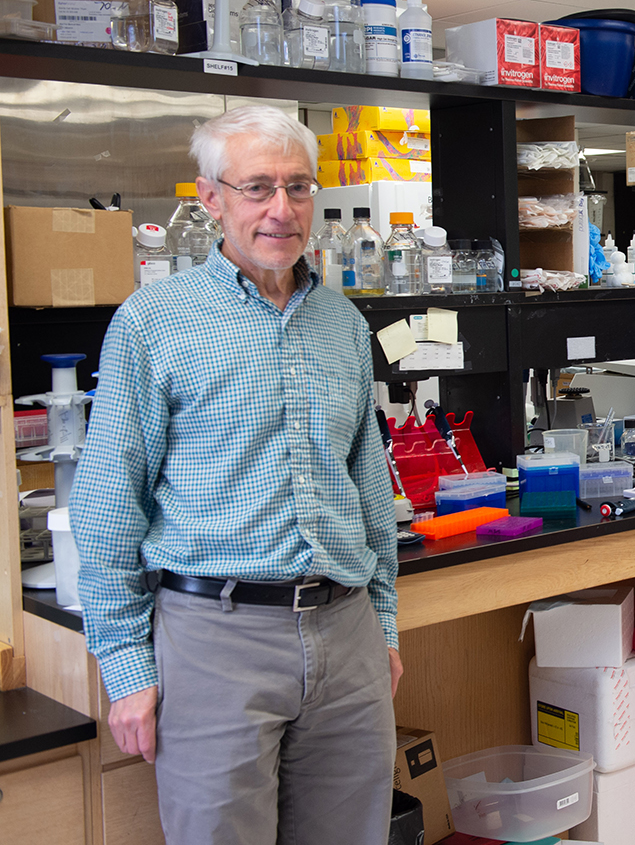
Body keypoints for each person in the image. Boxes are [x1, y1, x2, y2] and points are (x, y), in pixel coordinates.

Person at [73, 105, 401, 843]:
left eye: (298, 187)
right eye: (257, 187)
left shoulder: (343, 324)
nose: (281, 210)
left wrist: (382, 624)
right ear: (211, 197)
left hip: (345, 633)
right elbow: (106, 506)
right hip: (213, 639)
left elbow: (368, 489)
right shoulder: (152, 322)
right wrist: (126, 667)